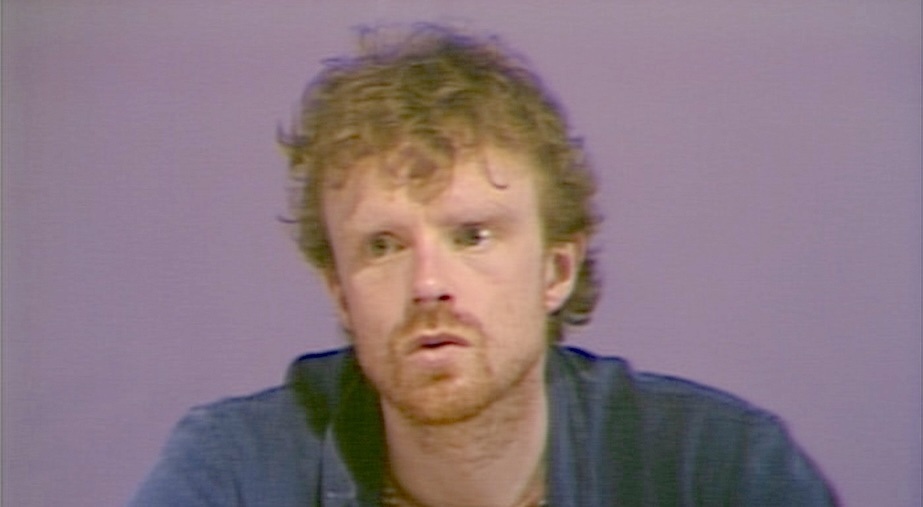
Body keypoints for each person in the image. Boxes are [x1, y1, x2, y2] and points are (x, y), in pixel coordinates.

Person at [129, 24, 837, 506]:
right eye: (383, 246)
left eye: (472, 236)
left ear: (555, 271)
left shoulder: (713, 467)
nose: (428, 284)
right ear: (340, 293)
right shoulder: (236, 470)